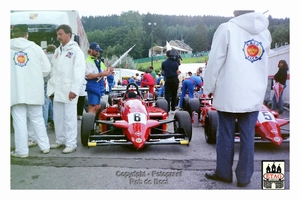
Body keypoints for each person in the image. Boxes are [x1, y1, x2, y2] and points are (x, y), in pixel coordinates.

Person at [203, 10, 271, 187]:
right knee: (248, 136)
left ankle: (223, 173)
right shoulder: (265, 32)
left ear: (236, 12)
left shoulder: (227, 28)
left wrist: (208, 87)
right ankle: (244, 177)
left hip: (230, 91)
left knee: (225, 133)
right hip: (254, 92)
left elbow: (215, 60)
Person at [11, 24, 51, 157]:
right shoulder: (36, 48)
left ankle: (21, 151)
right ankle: (44, 146)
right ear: (26, 34)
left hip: (14, 90)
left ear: (13, 34)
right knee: (37, 119)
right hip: (33, 89)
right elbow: (46, 70)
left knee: (19, 120)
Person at [47, 24, 86, 154]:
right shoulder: (58, 51)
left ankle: (71, 143)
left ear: (69, 34)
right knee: (58, 117)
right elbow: (54, 71)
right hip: (57, 90)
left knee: (69, 118)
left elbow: (79, 72)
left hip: (69, 90)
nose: (58, 37)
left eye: (61, 34)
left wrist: (74, 90)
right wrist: (51, 90)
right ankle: (60, 140)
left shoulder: (75, 51)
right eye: (57, 34)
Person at [85, 42, 113, 114]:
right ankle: (89, 122)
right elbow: (89, 76)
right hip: (92, 86)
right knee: (92, 105)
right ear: (91, 50)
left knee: (98, 106)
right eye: (96, 50)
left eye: (98, 51)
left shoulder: (99, 61)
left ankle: (92, 121)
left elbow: (106, 71)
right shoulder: (88, 61)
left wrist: (110, 70)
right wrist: (102, 73)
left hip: (99, 87)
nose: (98, 52)